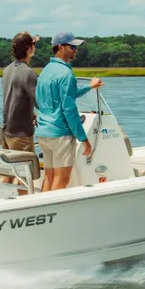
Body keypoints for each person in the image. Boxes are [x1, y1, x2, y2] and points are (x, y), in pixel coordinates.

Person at [35, 31, 103, 192]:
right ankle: (55, 213)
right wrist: (83, 139)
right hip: (60, 135)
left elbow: (57, 97)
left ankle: (44, 210)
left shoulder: (45, 71)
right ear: (60, 47)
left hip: (44, 133)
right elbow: (69, 110)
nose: (75, 50)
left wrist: (89, 87)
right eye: (72, 46)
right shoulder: (66, 74)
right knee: (62, 179)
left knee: (50, 177)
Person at [1, 31, 39, 191]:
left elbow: (16, 98)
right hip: (21, 134)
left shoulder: (7, 70)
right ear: (29, 49)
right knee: (25, 175)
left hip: (7, 130)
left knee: (10, 173)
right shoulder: (29, 73)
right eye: (34, 44)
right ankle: (25, 204)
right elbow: (40, 102)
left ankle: (0, 200)